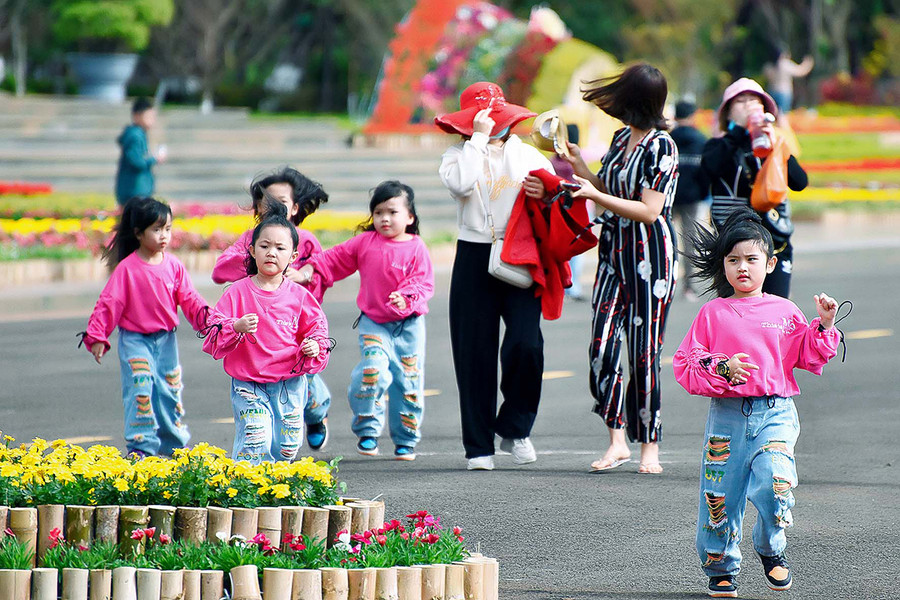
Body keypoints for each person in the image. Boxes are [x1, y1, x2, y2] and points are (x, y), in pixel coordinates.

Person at [673, 207, 839, 598]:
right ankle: (721, 567)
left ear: (770, 263)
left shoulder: (785, 312)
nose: (742, 268)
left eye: (751, 259)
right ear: (723, 266)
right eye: (733, 260)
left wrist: (826, 325)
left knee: (775, 484)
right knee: (719, 499)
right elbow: (687, 363)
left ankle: (771, 548)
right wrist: (722, 367)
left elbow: (811, 354)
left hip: (775, 412)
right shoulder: (712, 313)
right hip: (726, 420)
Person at [531, 63, 678, 474]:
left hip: (651, 256)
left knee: (644, 352)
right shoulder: (620, 139)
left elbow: (649, 211)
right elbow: (609, 191)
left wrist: (596, 192)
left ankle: (649, 447)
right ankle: (617, 441)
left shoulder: (662, 146)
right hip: (614, 252)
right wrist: (581, 167)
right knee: (602, 346)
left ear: (636, 102)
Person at [435, 81, 553, 471]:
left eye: (495, 119)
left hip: (520, 251)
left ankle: (516, 428)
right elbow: (461, 184)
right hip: (473, 253)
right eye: (483, 120)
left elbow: (556, 199)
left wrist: (545, 193)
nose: (492, 125)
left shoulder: (530, 156)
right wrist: (477, 140)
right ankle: (478, 446)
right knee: (473, 352)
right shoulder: (456, 155)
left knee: (526, 345)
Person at [297, 181, 434, 461]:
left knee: (408, 382)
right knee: (372, 371)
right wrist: (308, 270)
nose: (385, 218)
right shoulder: (365, 243)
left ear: (410, 217)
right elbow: (333, 259)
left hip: (409, 326)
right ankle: (368, 430)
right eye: (379, 212)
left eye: (393, 212)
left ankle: (406, 440)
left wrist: (405, 298)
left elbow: (424, 283)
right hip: (374, 323)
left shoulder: (417, 247)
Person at [211, 168, 333, 451]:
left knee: (305, 387)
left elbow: (327, 267)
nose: (274, 209)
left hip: (294, 336)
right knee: (260, 428)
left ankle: (316, 416)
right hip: (258, 336)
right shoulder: (252, 240)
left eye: (281, 202)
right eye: (267, 204)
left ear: (295, 208)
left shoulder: (305, 239)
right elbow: (220, 271)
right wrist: (257, 258)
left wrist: (304, 273)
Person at [80, 196, 211, 458]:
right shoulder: (127, 269)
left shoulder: (174, 266)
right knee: (140, 388)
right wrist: (96, 335)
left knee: (168, 391)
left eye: (168, 229)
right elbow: (109, 303)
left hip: (166, 342)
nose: (164, 236)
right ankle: (141, 446)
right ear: (139, 233)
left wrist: (212, 324)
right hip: (135, 340)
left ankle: (173, 445)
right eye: (157, 229)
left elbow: (191, 299)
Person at [702, 78, 808, 299]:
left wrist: (775, 146)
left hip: (775, 244)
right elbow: (710, 168)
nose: (749, 105)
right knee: (735, 314)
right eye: (741, 102)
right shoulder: (720, 145)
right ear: (728, 113)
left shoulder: (776, 143)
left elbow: (800, 182)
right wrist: (739, 131)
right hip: (734, 248)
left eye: (754, 101)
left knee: (775, 311)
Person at [669, 99, 710, 302]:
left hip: (668, 197)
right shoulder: (701, 140)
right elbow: (706, 172)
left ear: (675, 116)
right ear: (693, 115)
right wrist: (703, 193)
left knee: (667, 240)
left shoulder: (668, 139)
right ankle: (689, 287)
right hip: (693, 197)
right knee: (689, 241)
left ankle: (665, 280)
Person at [550, 123, 589, 301]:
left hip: (558, 208)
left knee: (560, 250)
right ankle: (573, 286)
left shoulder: (554, 161)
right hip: (580, 209)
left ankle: (561, 284)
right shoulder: (577, 160)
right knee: (577, 251)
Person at [116, 98, 166, 206]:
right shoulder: (135, 136)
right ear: (136, 116)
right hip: (134, 190)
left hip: (135, 189)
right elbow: (137, 161)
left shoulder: (138, 134)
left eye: (153, 117)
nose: (152, 120)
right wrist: (155, 159)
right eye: (148, 117)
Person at [763, 48, 814, 115]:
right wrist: (808, 63)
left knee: (772, 113)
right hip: (784, 93)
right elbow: (800, 71)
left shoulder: (768, 66)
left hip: (772, 91)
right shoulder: (785, 64)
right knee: (783, 114)